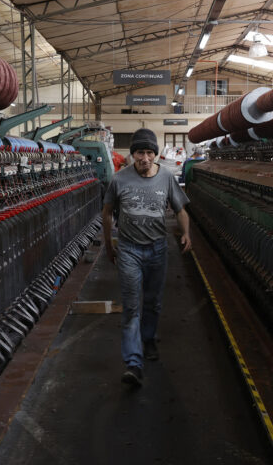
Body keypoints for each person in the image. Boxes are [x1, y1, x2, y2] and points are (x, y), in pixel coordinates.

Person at [102, 128, 191, 387]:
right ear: (132, 155)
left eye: (149, 152)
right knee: (131, 307)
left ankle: (149, 339)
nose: (145, 157)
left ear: (155, 154)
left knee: (152, 303)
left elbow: (181, 209)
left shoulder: (165, 178)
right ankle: (133, 363)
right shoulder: (119, 180)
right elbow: (107, 213)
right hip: (129, 250)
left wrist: (187, 233)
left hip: (157, 249)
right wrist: (109, 244)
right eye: (140, 152)